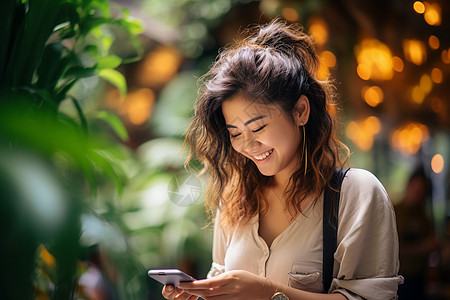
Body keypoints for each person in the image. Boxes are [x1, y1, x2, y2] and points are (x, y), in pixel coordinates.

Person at [162, 19, 403, 300]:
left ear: (301, 111)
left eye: (258, 127)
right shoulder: (234, 199)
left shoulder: (355, 194)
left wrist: (268, 291)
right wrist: (199, 294)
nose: (248, 145)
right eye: (235, 133)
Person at [395, 167, 438, 299]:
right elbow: (391, 249)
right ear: (409, 186)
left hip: (419, 278)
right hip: (399, 278)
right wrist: (422, 248)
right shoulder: (395, 212)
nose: (418, 195)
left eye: (422, 192)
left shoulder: (423, 217)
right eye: (417, 190)